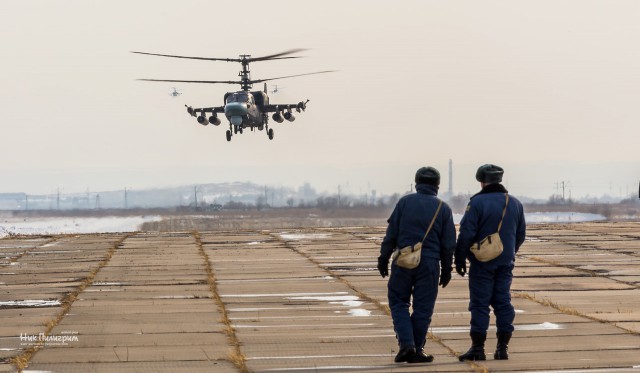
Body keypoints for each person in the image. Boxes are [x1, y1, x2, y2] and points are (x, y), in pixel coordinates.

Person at [377, 166, 457, 363]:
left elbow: (391, 234)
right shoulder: (443, 208)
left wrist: (383, 257)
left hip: (403, 261)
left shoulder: (404, 202)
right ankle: (417, 348)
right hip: (429, 264)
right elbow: (448, 245)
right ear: (437, 185)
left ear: (417, 183)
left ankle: (407, 345)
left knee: (398, 302)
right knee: (423, 308)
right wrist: (447, 269)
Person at [454, 164, 526, 361]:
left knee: (480, 304)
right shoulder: (515, 203)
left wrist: (460, 257)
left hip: (482, 262)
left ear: (481, 180)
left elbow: (467, 233)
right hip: (505, 261)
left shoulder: (477, 203)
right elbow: (521, 234)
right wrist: (508, 252)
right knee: (503, 302)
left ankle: (478, 348)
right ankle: (503, 348)